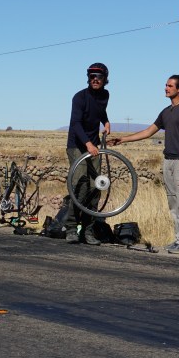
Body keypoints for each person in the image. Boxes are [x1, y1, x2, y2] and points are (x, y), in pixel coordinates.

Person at [111, 74, 179, 254]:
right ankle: (178, 239)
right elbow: (148, 131)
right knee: (173, 200)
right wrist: (123, 139)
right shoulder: (166, 112)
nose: (166, 88)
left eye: (170, 85)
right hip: (168, 160)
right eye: (166, 85)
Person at [64, 62, 111, 245]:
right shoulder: (79, 97)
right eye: (92, 76)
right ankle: (71, 228)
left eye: (98, 76)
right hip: (77, 145)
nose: (95, 79)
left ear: (105, 79)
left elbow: (100, 110)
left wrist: (106, 121)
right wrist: (88, 144)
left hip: (93, 146)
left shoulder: (105, 95)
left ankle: (88, 230)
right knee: (80, 185)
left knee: (95, 186)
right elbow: (76, 124)